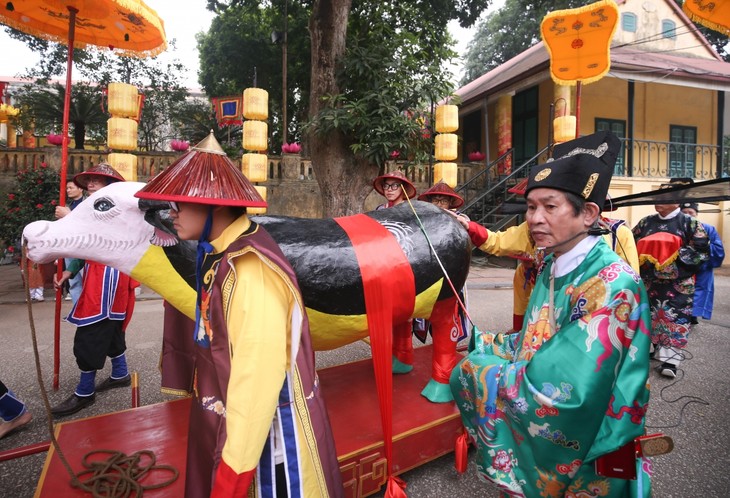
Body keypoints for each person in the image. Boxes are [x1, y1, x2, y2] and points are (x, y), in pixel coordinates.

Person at [135, 133, 344, 497]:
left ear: (214, 206)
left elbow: (256, 383)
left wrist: (231, 476)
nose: (172, 213)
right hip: (228, 410)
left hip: (268, 435)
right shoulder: (220, 252)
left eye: (180, 204)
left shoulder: (249, 272)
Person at [450, 131, 653, 497]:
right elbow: (537, 339)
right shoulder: (553, 264)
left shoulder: (611, 284)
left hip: (587, 438)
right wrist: (487, 342)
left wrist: (483, 372)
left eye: (549, 206)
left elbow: (566, 391)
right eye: (530, 207)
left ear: (589, 213)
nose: (535, 219)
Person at [50, 163, 137, 417]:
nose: (91, 183)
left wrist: (71, 217)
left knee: (91, 328)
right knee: (109, 327)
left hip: (109, 276)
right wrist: (70, 270)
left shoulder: (117, 208)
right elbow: (85, 246)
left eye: (98, 180)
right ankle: (120, 373)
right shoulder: (88, 207)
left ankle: (85, 391)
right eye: (89, 179)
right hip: (96, 273)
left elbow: (104, 236)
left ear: (111, 186)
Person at [633, 178, 709, 378]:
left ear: (678, 200)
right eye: (657, 197)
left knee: (674, 318)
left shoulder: (690, 223)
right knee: (648, 317)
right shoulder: (645, 222)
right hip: (649, 282)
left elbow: (700, 251)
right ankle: (652, 351)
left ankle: (670, 362)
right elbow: (632, 246)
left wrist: (669, 267)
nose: (658, 201)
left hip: (677, 284)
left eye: (664, 198)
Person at [680, 202, 725, 323]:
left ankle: (694, 314)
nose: (688, 215)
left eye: (691, 212)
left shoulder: (708, 228)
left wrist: (704, 248)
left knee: (700, 289)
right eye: (684, 213)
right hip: (681, 266)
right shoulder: (677, 228)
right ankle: (682, 313)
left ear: (696, 214)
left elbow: (718, 248)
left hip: (703, 266)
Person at [55, 179, 86, 303]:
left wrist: (69, 215)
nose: (68, 190)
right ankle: (76, 310)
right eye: (67, 188)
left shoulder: (87, 205)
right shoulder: (67, 206)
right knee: (73, 281)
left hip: (83, 248)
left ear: (80, 189)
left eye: (71, 188)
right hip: (69, 247)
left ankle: (86, 311)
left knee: (86, 280)